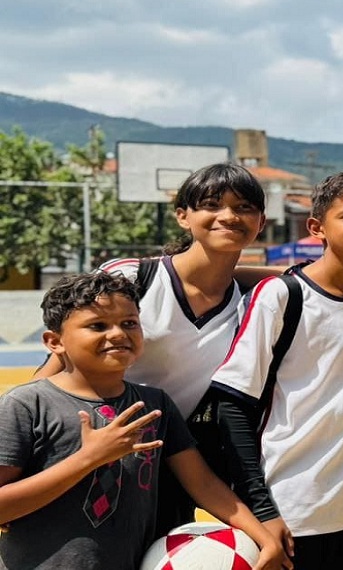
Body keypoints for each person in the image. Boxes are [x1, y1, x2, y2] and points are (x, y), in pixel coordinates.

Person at [35, 161, 267, 536]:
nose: (229, 216)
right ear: (182, 216)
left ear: (260, 222)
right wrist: (31, 439)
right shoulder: (133, 277)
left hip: (170, 459)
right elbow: (56, 367)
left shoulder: (254, 302)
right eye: (211, 204)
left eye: (244, 207)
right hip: (92, 447)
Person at [0, 272, 288, 570]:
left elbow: (202, 484)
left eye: (129, 323)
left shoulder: (155, 404)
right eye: (97, 326)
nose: (117, 334)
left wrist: (263, 537)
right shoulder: (26, 405)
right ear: (54, 342)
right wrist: (89, 458)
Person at [210, 171, 343, 569]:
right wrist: (262, 511)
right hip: (291, 507)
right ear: (317, 228)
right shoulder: (281, 295)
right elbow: (231, 405)